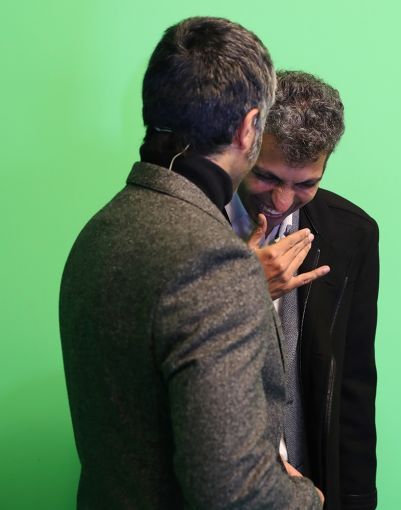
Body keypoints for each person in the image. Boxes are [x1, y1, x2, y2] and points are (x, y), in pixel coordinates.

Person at [59, 17, 322, 509]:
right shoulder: (217, 262)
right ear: (249, 127)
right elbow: (233, 492)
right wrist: (307, 499)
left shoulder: (98, 231)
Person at [227, 70, 379, 510]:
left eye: (305, 184)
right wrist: (245, 289)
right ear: (245, 143)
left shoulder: (353, 234)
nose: (282, 202)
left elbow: (353, 385)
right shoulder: (191, 224)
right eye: (268, 177)